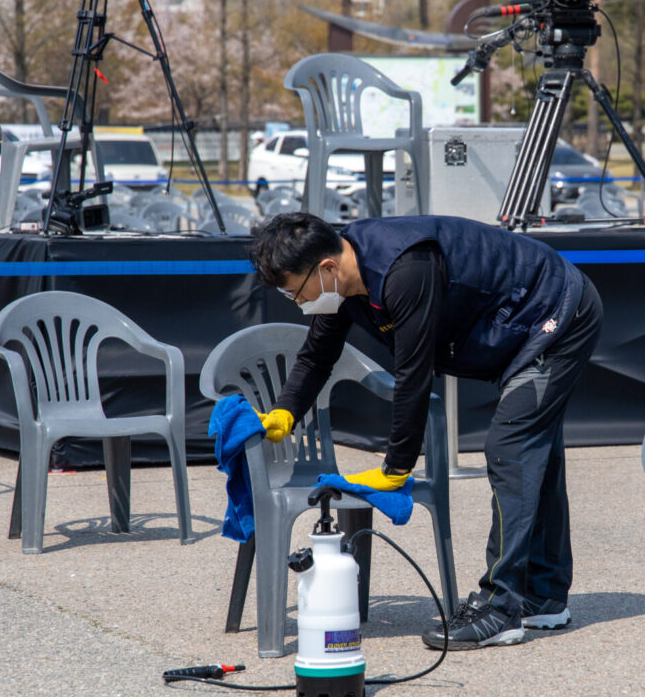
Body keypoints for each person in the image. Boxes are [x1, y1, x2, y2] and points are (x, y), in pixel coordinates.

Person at [246, 212, 603, 650]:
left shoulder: (406, 271)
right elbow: (317, 357)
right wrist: (284, 413)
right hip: (523, 319)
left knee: (511, 448)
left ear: (326, 268)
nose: (296, 301)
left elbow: (413, 375)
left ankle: (501, 606)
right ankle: (543, 595)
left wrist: (396, 467)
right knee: (533, 455)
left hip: (558, 312)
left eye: (294, 291)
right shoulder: (343, 279)